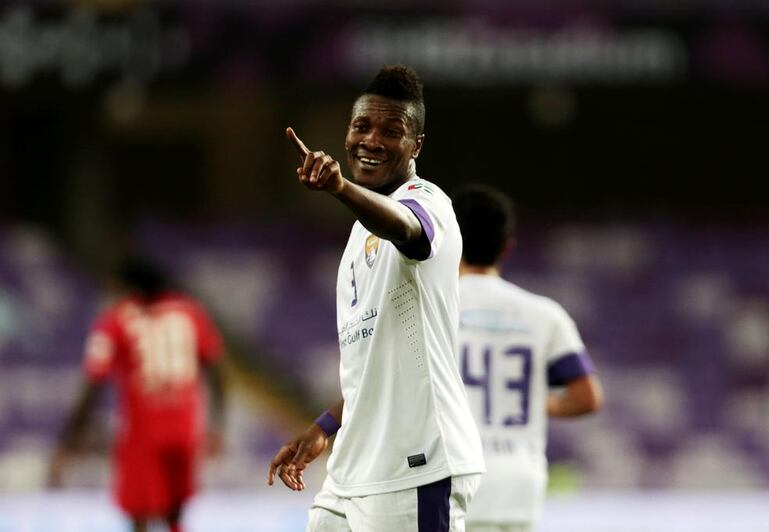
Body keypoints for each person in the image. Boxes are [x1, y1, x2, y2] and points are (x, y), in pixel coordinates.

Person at [267, 64, 484, 531]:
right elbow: (378, 361)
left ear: (416, 146)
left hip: (416, 464)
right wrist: (324, 426)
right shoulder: (357, 236)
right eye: (361, 126)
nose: (371, 140)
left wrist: (338, 187)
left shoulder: (429, 203)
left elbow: (406, 228)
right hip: (353, 469)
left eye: (392, 131)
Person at [451, 184, 604, 532]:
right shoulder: (544, 315)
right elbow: (588, 397)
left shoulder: (431, 310)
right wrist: (536, 401)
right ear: (507, 247)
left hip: (452, 481)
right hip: (518, 487)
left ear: (450, 242)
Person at [49, 256, 226, 532]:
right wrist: (217, 424)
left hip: (144, 434)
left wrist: (67, 442)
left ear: (129, 287)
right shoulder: (190, 312)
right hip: (185, 431)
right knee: (175, 518)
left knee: (139, 515)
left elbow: (93, 383)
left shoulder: (116, 319)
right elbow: (216, 370)